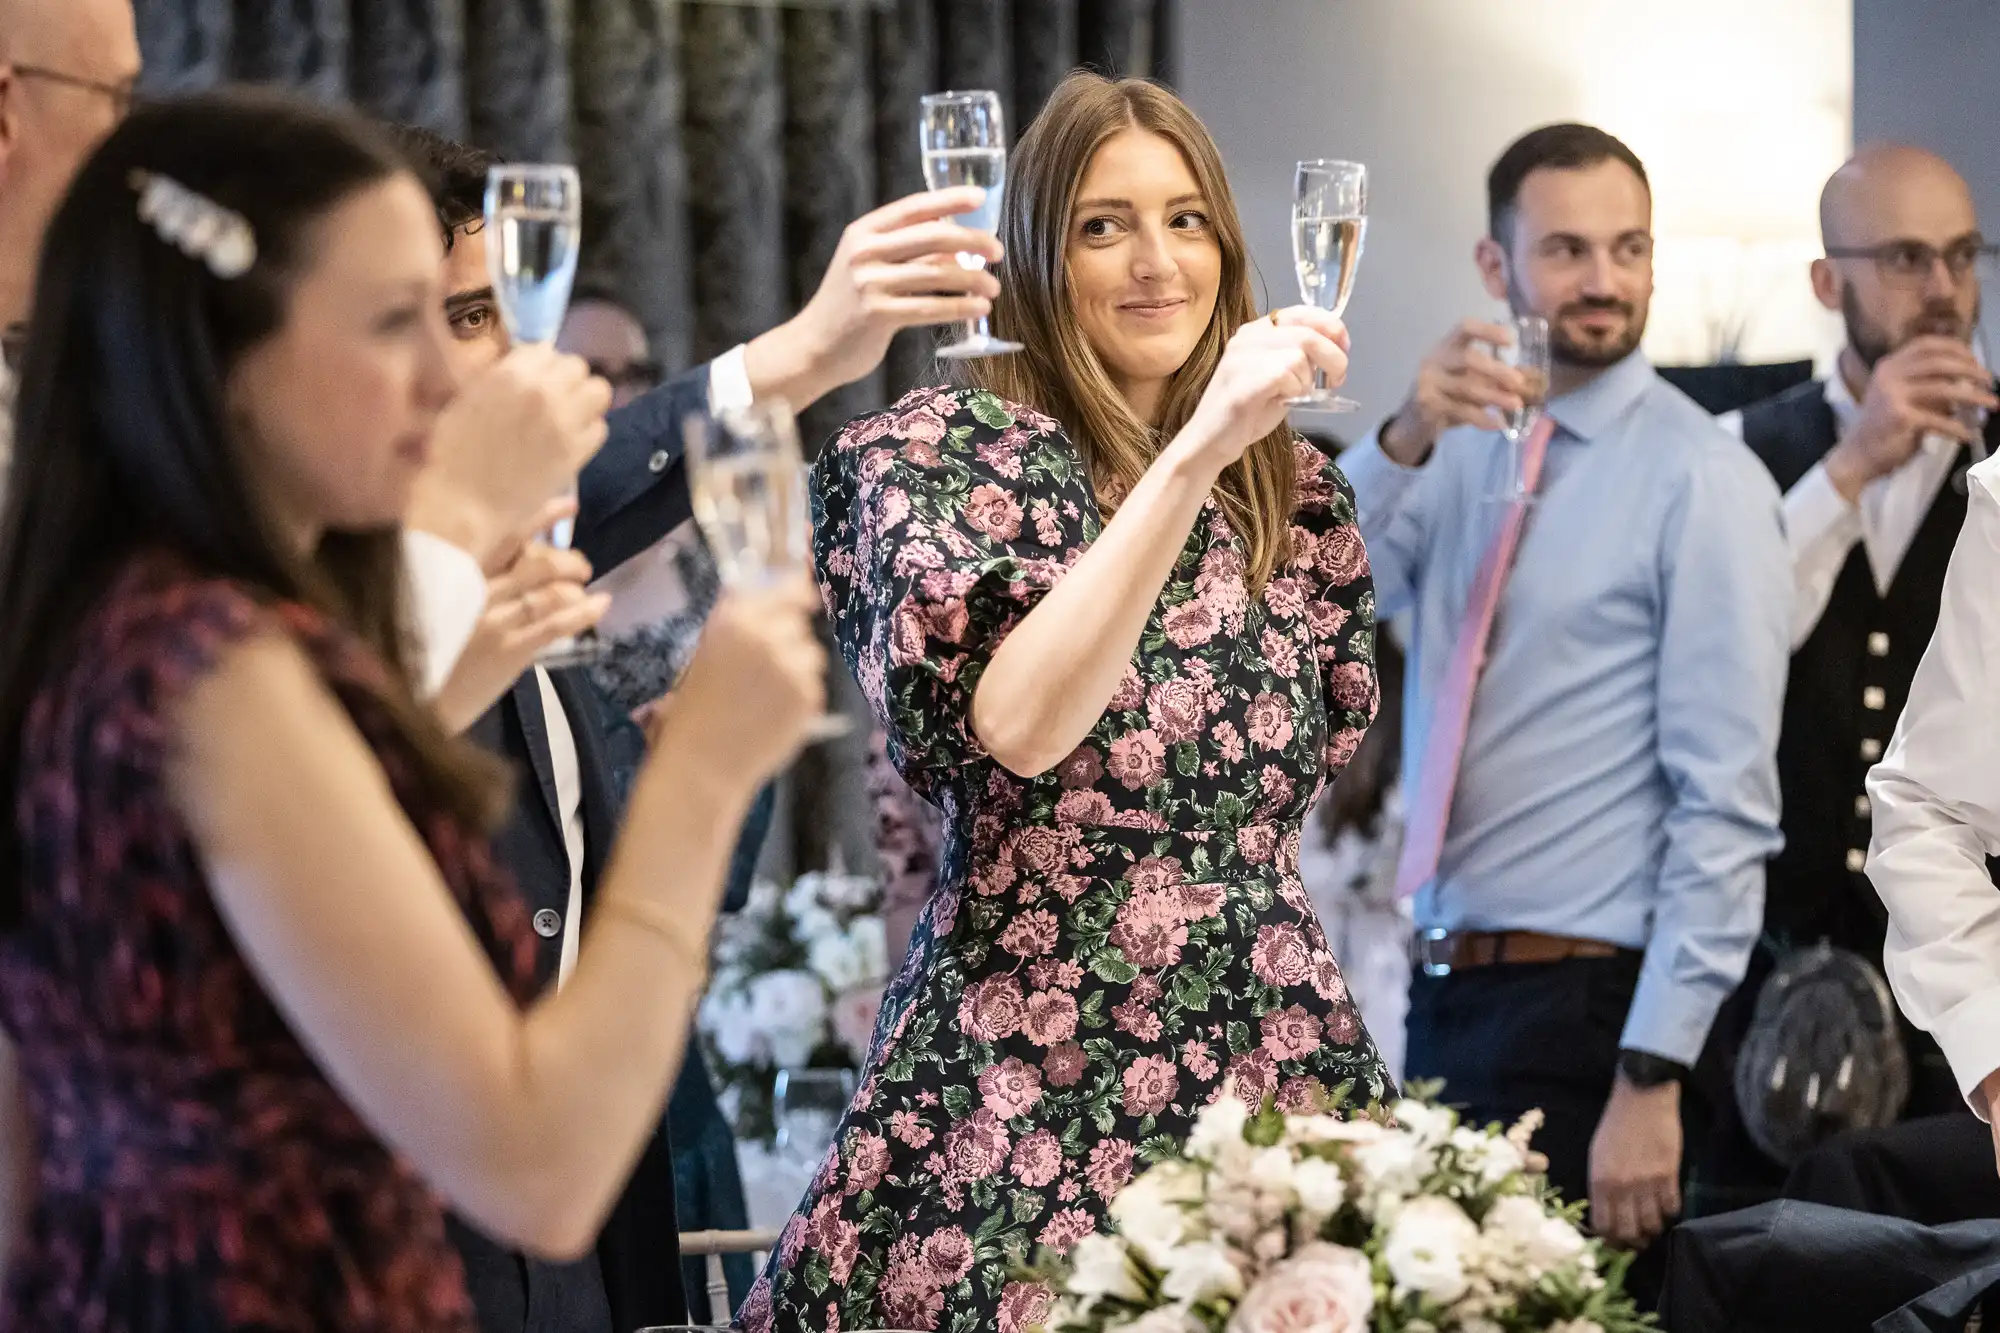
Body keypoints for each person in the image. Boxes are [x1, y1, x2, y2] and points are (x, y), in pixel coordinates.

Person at [0, 90, 824, 1327]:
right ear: (227, 359)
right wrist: (704, 773)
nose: (458, 378)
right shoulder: (215, 669)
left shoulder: (97, 627)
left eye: (468, 318)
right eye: (395, 323)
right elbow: (540, 1167)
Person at [744, 70, 1387, 1333]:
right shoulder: (929, 459)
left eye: (1186, 218)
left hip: (1275, 1064)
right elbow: (1021, 729)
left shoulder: (1296, 494)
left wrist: (1222, 449)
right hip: (1020, 1088)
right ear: (1035, 248)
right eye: (1103, 225)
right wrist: (1195, 450)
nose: (1156, 262)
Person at [388, 122, 1013, 1333]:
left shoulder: (511, 563)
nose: (520, 358)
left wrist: (807, 352)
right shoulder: (296, 611)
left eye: (517, 309)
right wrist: (703, 777)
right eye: (468, 317)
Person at [1341, 123, 1790, 1291]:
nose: (1603, 280)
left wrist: (1652, 1073)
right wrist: (1400, 435)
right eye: (1567, 249)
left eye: (1628, 248)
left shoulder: (1705, 480)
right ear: (1495, 269)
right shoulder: (1448, 453)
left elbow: (1725, 802)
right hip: (1442, 993)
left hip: (1591, 1016)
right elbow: (1310, 596)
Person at [1696, 144, 2000, 1222]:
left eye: (1962, 256)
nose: (1943, 289)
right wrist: (1850, 468)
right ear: (1827, 283)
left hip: (1963, 1005)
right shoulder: (1738, 451)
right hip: (1764, 985)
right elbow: (1710, 660)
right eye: (1907, 257)